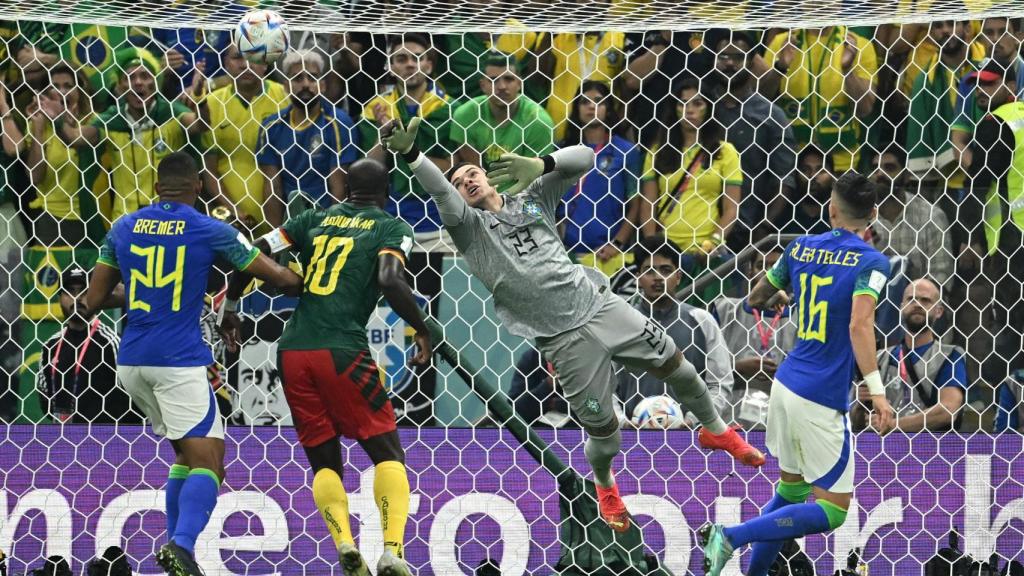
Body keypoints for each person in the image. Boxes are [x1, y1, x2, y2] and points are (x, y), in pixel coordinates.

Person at [382, 115, 764, 534]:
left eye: (473, 173)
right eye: (459, 180)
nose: (466, 181)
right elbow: (439, 191)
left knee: (680, 368)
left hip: (600, 305)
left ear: (491, 179)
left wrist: (540, 164)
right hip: (563, 341)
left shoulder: (529, 201)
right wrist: (413, 155)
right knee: (606, 433)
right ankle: (605, 486)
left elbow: (584, 158)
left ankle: (716, 431)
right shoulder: (469, 228)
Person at [82, 152, 304, 576]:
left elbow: (94, 301)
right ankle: (181, 547)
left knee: (185, 453)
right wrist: (305, 283)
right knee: (212, 463)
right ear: (199, 186)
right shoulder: (209, 228)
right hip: (177, 361)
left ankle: (175, 554)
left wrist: (143, 295)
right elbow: (275, 275)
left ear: (155, 186)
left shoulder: (123, 227)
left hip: (131, 362)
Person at [220, 158, 431, 576]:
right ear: (386, 192)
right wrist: (421, 327)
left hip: (294, 350)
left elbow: (253, 252)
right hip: (342, 349)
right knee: (386, 450)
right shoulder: (392, 228)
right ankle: (392, 550)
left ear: (344, 189)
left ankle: (344, 544)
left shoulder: (311, 218)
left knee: (323, 457)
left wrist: (231, 306)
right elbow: (389, 280)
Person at [700, 171, 895, 576]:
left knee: (792, 491)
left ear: (832, 209)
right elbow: (860, 325)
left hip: (786, 385)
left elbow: (755, 297)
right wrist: (877, 393)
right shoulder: (873, 262)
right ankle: (731, 536)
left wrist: (795, 294)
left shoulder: (801, 247)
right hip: (821, 395)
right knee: (834, 511)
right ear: (873, 214)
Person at [56, 56, 207, 223]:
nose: (138, 82)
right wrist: (56, 118)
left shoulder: (171, 115)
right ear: (120, 86)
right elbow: (73, 138)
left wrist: (199, 96)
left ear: (156, 82)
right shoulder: (112, 121)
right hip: (125, 222)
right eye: (129, 77)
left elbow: (202, 125)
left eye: (145, 76)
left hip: (167, 220)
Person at [617, 237, 733, 425]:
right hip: (631, 434)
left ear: (678, 277)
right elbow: (604, 385)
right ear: (638, 277)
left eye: (666, 270)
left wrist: (694, 420)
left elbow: (720, 382)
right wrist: (622, 422)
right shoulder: (621, 323)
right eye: (649, 271)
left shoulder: (702, 320)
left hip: (690, 436)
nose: (658, 277)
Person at [962, 60, 1024, 385]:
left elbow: (977, 185)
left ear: (1011, 86)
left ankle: (1006, 411)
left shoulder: (994, 124)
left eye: (988, 84)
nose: (980, 92)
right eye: (977, 85)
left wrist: (969, 238)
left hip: (1010, 241)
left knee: (1010, 328)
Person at [360, 33, 455, 239]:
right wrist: (382, 135)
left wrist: (408, 149)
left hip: (440, 214)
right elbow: (368, 172)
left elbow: (453, 167)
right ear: (391, 67)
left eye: (417, 58)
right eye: (402, 59)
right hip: (392, 214)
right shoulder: (375, 108)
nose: (410, 64)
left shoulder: (450, 109)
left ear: (429, 65)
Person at [710, 31, 797, 244]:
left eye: (738, 57)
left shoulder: (771, 115)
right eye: (722, 56)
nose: (729, 62)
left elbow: (784, 178)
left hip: (746, 230)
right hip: (695, 226)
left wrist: (764, 227)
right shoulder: (701, 107)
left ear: (751, 62)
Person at [639, 78, 742, 255]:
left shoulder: (726, 151)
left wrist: (714, 242)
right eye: (683, 103)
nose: (690, 110)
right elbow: (648, 204)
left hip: (706, 250)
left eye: (698, 103)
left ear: (708, 107)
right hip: (667, 250)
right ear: (674, 108)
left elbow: (732, 208)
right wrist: (653, 248)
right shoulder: (657, 152)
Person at [257, 49, 359, 226]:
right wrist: (275, 240)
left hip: (327, 221)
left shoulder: (338, 123)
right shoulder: (270, 127)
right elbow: (272, 189)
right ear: (286, 87)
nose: (306, 84)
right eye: (297, 78)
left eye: (313, 78)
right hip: (290, 224)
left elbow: (339, 188)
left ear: (323, 85)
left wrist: (332, 235)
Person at [850, 278, 966, 433]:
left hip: (929, 452)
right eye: (911, 299)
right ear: (901, 307)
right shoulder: (879, 358)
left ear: (939, 311)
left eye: (925, 300)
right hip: (882, 452)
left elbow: (948, 410)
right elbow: (855, 423)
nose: (917, 304)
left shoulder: (950, 356)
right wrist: (860, 404)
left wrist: (893, 425)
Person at [761, 26, 877, 172]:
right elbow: (759, 99)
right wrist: (780, 67)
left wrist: (848, 70)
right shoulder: (782, 43)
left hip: (842, 164)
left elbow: (865, 109)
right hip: (789, 160)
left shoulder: (858, 45)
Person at [202, 44, 290, 234]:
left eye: (254, 58)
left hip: (283, 215)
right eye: (237, 58)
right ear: (226, 63)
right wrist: (235, 211)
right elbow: (209, 171)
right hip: (231, 223)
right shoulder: (212, 104)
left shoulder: (284, 97)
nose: (245, 65)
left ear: (266, 64)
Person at [559, 80, 641, 276]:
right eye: (584, 101)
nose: (591, 106)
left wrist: (618, 243)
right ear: (576, 109)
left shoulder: (626, 152)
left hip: (608, 255)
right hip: (565, 253)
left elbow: (636, 203)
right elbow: (543, 199)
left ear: (608, 109)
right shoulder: (561, 150)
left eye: (598, 101)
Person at [36, 265, 134, 424]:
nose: (77, 298)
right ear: (59, 297)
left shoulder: (112, 343)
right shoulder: (50, 347)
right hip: (61, 440)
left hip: (105, 441)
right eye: (69, 291)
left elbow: (131, 399)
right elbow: (45, 399)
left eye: (84, 291)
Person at [713, 247, 798, 408]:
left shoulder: (801, 317)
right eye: (761, 266)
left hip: (783, 410)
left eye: (775, 268)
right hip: (728, 410)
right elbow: (705, 368)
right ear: (750, 271)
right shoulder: (725, 310)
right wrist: (737, 367)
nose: (767, 274)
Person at [450, 51, 554, 170]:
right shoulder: (466, 115)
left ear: (519, 83)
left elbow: (535, 176)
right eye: (494, 80)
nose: (502, 86)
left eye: (508, 79)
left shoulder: (538, 121)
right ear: (482, 85)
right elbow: (475, 170)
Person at [869, 148, 952, 284]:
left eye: (889, 168)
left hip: (919, 301)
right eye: (875, 168)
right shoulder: (860, 217)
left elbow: (940, 277)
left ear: (906, 176)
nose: (879, 174)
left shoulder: (931, 216)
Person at [536, 29, 627, 141]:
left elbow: (627, 95)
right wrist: (550, 34)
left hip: (602, 137)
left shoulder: (620, 40)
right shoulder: (557, 36)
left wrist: (617, 129)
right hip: (557, 132)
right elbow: (537, 78)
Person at [781, 146, 833, 236]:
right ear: (795, 174)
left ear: (833, 176)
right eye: (805, 170)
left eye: (821, 170)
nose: (812, 176)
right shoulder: (783, 215)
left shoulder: (841, 217)